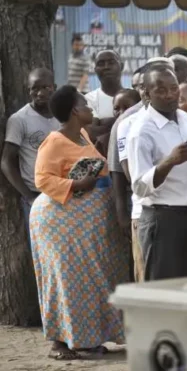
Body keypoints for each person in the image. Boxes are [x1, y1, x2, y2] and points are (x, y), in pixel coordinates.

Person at [30, 85, 127, 360]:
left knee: (90, 279)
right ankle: (62, 342)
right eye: (85, 104)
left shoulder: (82, 134)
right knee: (68, 280)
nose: (90, 108)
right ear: (75, 111)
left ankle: (88, 337)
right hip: (62, 222)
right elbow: (43, 179)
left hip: (85, 224)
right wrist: (76, 183)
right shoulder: (55, 141)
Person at [126, 66, 187, 280]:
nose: (170, 95)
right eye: (161, 90)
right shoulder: (141, 130)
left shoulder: (185, 118)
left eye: (173, 88)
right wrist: (168, 162)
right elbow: (139, 187)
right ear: (147, 93)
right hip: (164, 221)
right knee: (166, 292)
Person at [107, 64, 155, 282]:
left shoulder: (180, 116)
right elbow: (118, 171)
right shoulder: (125, 123)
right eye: (139, 86)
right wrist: (121, 213)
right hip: (139, 206)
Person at [1, 68, 59, 235]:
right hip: (37, 195)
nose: (40, 93)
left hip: (64, 192)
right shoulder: (20, 119)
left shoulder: (62, 115)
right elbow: (6, 162)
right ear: (28, 90)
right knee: (41, 248)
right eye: (34, 88)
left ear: (54, 87)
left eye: (46, 87)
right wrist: (29, 197)